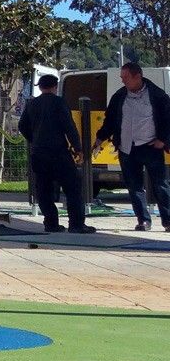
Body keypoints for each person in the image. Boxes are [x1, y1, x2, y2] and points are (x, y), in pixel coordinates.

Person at [96, 62, 170, 231]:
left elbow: (168, 119)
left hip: (151, 147)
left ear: (138, 76)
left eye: (126, 77)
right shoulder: (119, 96)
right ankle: (143, 220)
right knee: (134, 186)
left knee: (161, 185)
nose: (123, 81)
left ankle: (168, 220)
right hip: (127, 148)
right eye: (121, 78)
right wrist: (100, 138)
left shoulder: (157, 95)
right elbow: (110, 120)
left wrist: (163, 140)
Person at [19, 74, 95, 233]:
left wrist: (34, 139)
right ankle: (76, 224)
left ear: (40, 87)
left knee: (43, 189)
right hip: (58, 152)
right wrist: (77, 148)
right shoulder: (59, 102)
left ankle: (51, 223)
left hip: (39, 153)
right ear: (55, 87)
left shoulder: (32, 104)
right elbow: (69, 126)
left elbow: (22, 126)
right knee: (73, 187)